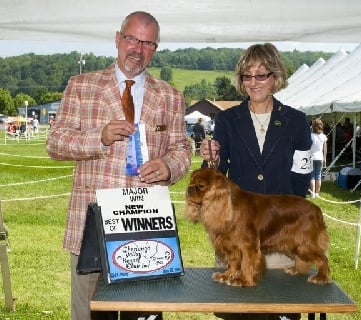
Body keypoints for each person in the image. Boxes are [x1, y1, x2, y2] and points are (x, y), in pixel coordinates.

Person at [46, 11, 191, 320]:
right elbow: (55, 143)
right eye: (132, 39)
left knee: (144, 314)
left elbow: (182, 149)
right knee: (90, 313)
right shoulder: (81, 85)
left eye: (148, 43)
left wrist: (169, 166)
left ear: (155, 48)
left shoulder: (170, 96)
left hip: (147, 228)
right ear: (117, 39)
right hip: (92, 229)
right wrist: (99, 137)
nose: (137, 50)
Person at [199, 43, 312, 320]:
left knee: (280, 306)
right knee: (239, 310)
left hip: (280, 232)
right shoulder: (226, 120)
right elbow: (215, 176)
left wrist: (288, 220)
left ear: (275, 77)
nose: (253, 82)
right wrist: (209, 158)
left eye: (261, 75)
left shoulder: (296, 121)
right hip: (236, 232)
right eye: (247, 76)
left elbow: (301, 177)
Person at [310, 118, 328, 198]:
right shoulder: (323, 136)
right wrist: (324, 158)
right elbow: (325, 149)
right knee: (318, 176)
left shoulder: (311, 136)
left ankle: (312, 193)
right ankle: (317, 193)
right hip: (320, 157)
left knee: (312, 176)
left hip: (312, 157)